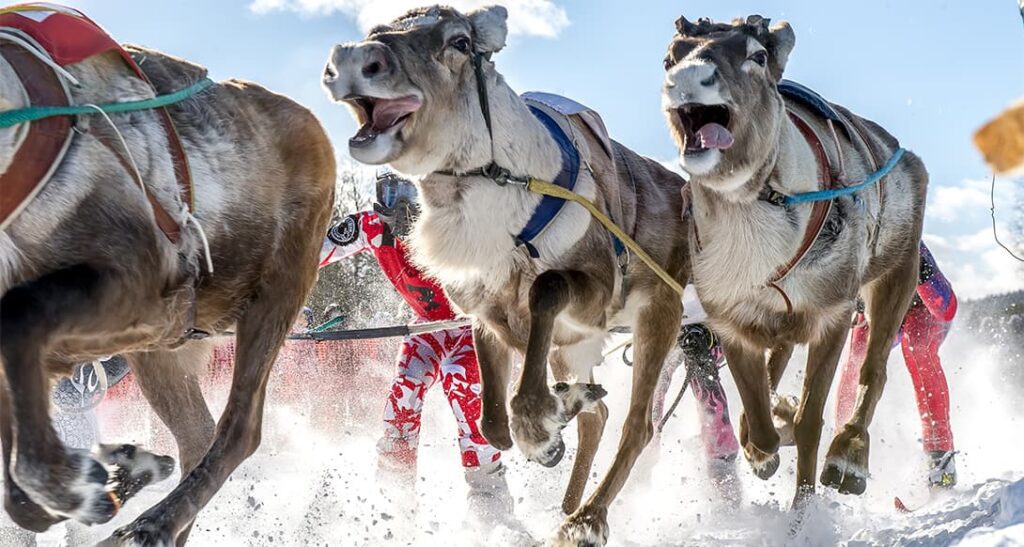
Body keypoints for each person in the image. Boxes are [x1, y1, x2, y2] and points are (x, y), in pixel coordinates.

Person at [319, 171, 512, 522]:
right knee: (406, 390)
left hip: (471, 327)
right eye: (392, 193)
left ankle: (488, 493)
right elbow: (317, 250)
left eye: (410, 191)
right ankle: (395, 492)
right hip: (428, 327)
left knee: (460, 383)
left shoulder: (453, 222)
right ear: (381, 198)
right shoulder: (371, 228)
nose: (405, 207)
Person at [835, 241, 959, 488]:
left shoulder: (911, 244)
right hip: (882, 313)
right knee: (855, 363)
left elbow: (947, 309)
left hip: (923, 312)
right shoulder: (858, 244)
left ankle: (940, 456)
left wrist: (921, 272)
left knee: (917, 346)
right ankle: (841, 445)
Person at [647, 286, 740, 499]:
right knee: (655, 379)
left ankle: (721, 462)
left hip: (710, 325)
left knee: (702, 371)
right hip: (670, 319)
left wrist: (711, 333)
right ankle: (643, 451)